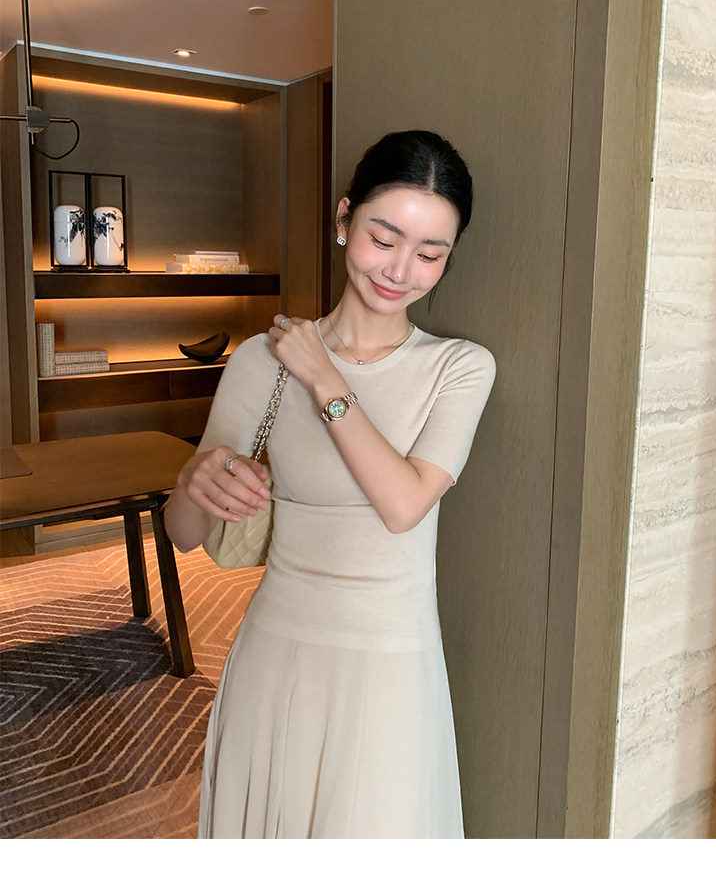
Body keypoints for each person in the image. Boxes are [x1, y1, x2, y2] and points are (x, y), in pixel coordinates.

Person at [164, 130, 496, 838]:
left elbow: (403, 504)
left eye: (430, 253)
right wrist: (195, 479)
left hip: (390, 662)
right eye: (383, 238)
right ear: (345, 218)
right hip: (275, 651)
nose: (400, 270)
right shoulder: (261, 360)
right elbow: (184, 535)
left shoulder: (460, 368)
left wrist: (323, 375)